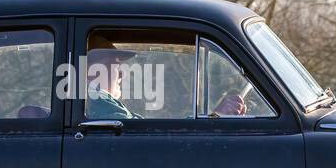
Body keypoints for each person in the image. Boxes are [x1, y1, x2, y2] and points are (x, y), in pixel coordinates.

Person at [84, 35, 246, 119]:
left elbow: (146, 130)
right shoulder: (99, 102)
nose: (121, 73)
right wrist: (216, 117)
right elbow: (145, 137)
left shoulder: (95, 105)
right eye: (114, 64)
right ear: (90, 71)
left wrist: (213, 117)